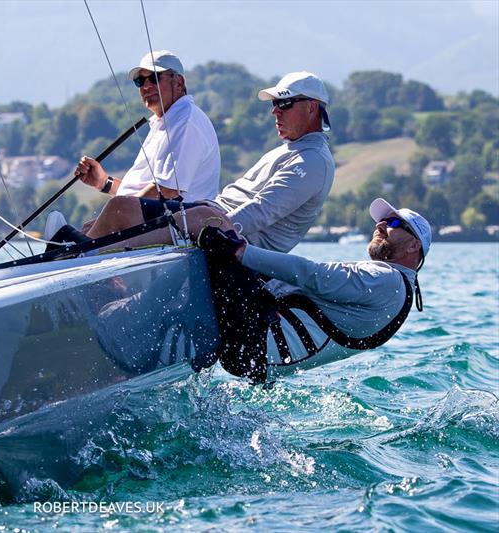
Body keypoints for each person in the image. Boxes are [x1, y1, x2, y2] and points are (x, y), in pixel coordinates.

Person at [46, 71, 334, 254]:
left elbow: (259, 214)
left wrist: (206, 226)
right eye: (273, 105)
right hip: (209, 219)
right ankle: (82, 251)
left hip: (224, 235)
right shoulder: (291, 151)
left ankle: (77, 256)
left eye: (284, 104)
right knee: (106, 218)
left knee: (120, 210)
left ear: (311, 108)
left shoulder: (312, 162)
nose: (275, 112)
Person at [193, 198, 432, 383]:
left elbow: (312, 275)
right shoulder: (397, 291)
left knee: (204, 219)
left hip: (251, 343)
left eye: (394, 223)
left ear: (414, 245)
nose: (380, 225)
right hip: (255, 359)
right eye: (381, 221)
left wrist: (239, 251)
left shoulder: (387, 280)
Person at [45, 50, 220, 244]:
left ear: (179, 82)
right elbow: (147, 191)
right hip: (166, 217)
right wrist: (104, 183)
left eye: (154, 78)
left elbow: (168, 190)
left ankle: (71, 256)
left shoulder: (186, 120)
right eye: (140, 82)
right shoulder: (165, 122)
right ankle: (74, 251)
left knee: (117, 209)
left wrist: (116, 216)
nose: (146, 86)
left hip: (185, 225)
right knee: (98, 221)